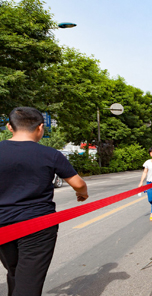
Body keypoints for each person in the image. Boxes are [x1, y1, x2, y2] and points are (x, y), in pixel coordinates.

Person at [0, 107, 89, 296]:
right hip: (38, 225)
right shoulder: (51, 154)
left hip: (3, 224)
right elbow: (78, 183)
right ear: (40, 128)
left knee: (14, 271)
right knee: (29, 280)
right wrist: (83, 193)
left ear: (9, 127)